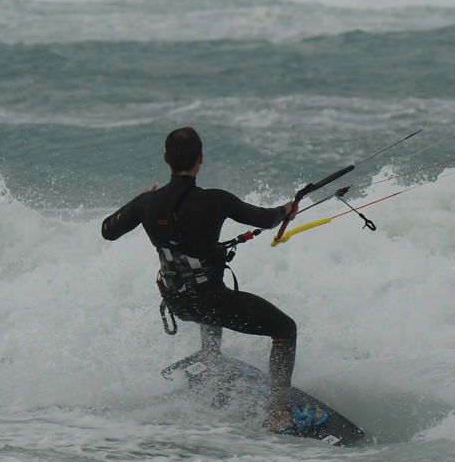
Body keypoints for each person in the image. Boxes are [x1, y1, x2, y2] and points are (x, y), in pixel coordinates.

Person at [100, 127, 309, 433]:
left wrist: (139, 199)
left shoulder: (148, 203)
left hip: (177, 303)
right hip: (212, 303)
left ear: (165, 159)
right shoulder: (216, 200)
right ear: (200, 159)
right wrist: (286, 210)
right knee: (284, 328)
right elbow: (265, 219)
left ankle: (212, 361)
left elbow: (108, 230)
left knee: (205, 291)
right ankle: (278, 413)